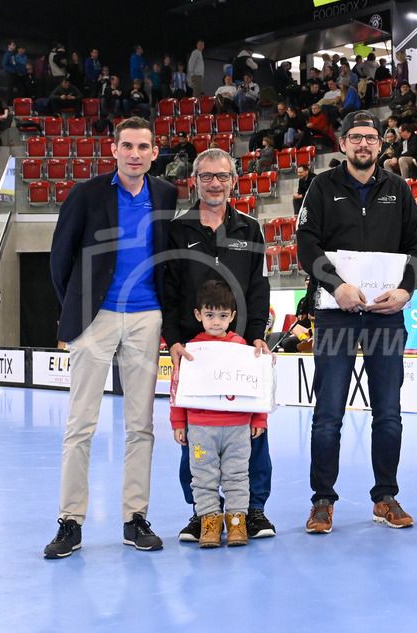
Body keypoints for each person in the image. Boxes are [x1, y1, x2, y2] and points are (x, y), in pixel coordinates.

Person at [45, 117, 179, 559]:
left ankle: (134, 517)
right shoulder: (86, 194)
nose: (135, 153)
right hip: (95, 319)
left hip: (146, 318)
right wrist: (80, 311)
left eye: (143, 146)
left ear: (154, 152)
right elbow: (60, 259)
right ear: (113, 149)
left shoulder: (166, 194)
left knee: (141, 426)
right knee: (80, 425)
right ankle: (70, 521)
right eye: (127, 146)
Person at [295, 112, 417, 533]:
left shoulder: (398, 188)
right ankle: (322, 501)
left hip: (386, 316)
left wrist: (407, 290)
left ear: (380, 144)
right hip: (336, 315)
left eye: (370, 138)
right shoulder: (321, 186)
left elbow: (416, 246)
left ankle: (385, 496)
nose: (363, 145)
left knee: (388, 412)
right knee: (329, 412)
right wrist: (335, 286)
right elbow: (306, 244)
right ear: (344, 143)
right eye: (355, 137)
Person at [162, 147, 274, 541]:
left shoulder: (250, 229)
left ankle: (253, 511)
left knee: (252, 436)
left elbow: (260, 288)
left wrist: (258, 335)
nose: (215, 183)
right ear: (194, 180)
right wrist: (174, 341)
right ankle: (202, 513)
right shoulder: (176, 231)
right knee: (194, 440)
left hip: (242, 352)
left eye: (222, 176)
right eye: (207, 176)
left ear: (233, 180)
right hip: (193, 354)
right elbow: (169, 292)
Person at [169, 279, 268, 548]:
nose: (216, 321)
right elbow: (178, 386)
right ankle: (209, 522)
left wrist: (260, 418)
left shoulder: (244, 349)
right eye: (210, 315)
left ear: (232, 316)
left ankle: (237, 522)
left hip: (237, 428)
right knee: (202, 478)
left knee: (238, 476)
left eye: (223, 316)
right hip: (200, 429)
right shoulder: (189, 350)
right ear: (198, 315)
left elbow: (256, 386)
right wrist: (179, 421)